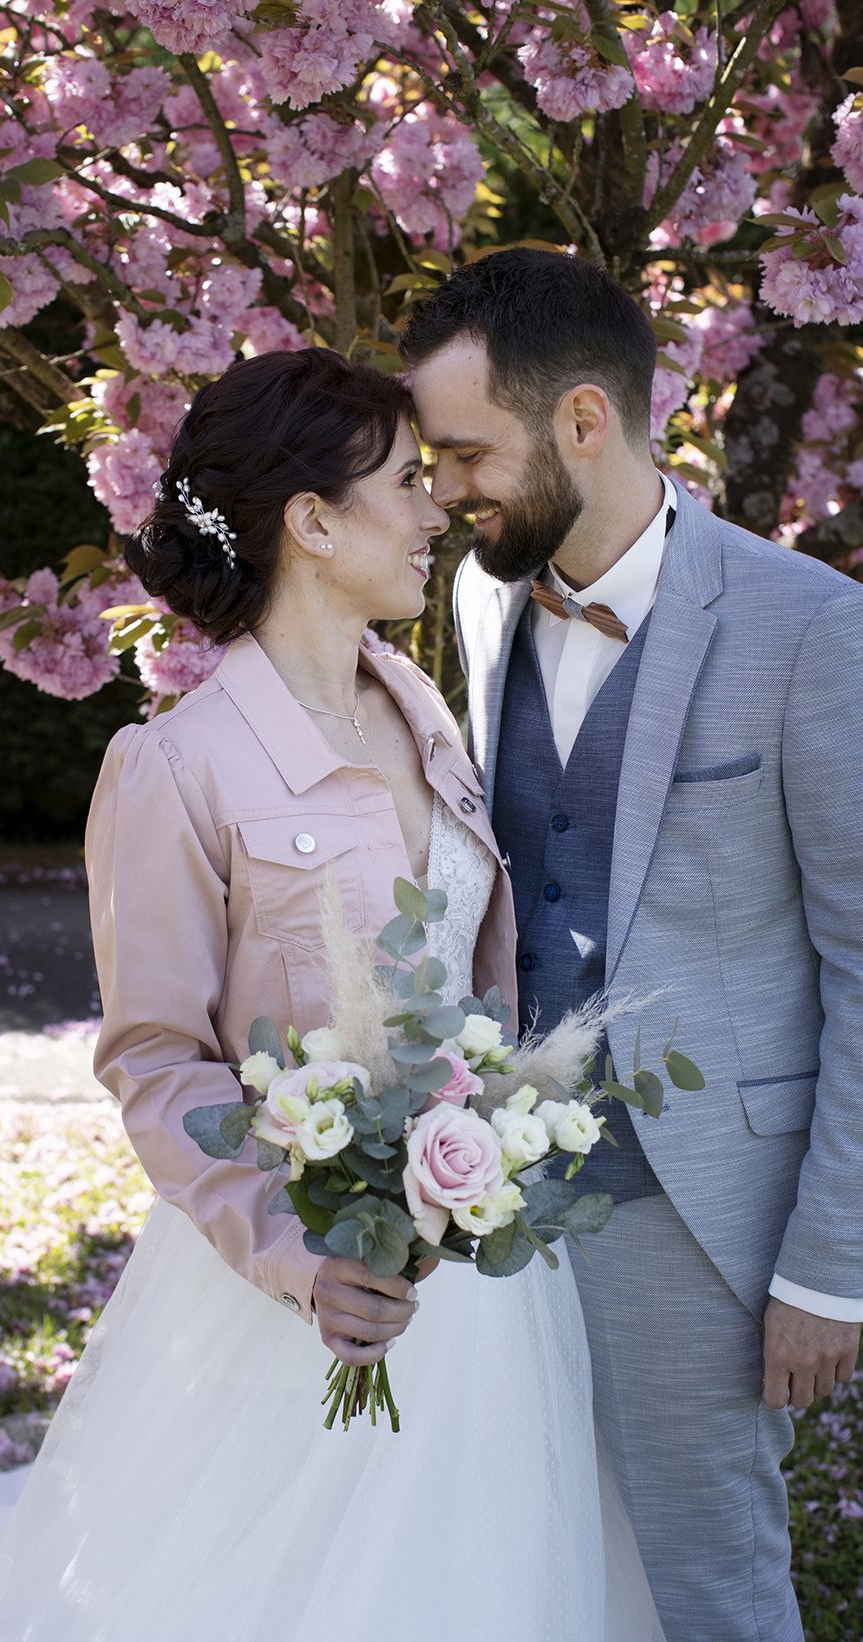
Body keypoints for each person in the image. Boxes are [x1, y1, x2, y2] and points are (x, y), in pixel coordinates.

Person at [0, 347, 663, 1641]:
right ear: (311, 520)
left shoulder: (425, 717)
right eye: (407, 483)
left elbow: (478, 983)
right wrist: (302, 1254)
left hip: (481, 1284)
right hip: (291, 1295)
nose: (433, 511)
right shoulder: (172, 768)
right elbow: (155, 1060)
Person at [403, 247, 863, 1642]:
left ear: (583, 420)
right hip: (494, 1200)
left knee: (701, 1575)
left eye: (466, 454)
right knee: (537, 1555)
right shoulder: (487, 601)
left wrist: (830, 1267)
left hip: (700, 1208)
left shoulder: (807, 629)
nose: (443, 491)